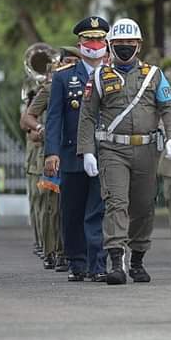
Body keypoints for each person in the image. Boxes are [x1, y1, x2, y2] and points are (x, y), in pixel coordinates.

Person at [77, 18, 171, 285]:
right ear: (110, 46)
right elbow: (87, 116)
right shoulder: (99, 76)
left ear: (139, 45)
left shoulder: (153, 75)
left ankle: (137, 259)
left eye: (130, 43)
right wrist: (87, 151)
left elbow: (169, 107)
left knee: (144, 205)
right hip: (113, 149)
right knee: (116, 203)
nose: (125, 48)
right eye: (119, 44)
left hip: (147, 149)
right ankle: (116, 262)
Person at [45, 20, 110, 282]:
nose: (93, 47)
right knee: (72, 210)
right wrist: (52, 152)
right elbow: (54, 118)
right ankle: (76, 261)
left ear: (105, 45)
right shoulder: (64, 77)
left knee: (98, 210)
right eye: (88, 42)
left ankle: (98, 263)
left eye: (98, 41)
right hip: (72, 153)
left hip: (105, 152)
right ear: (79, 46)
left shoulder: (113, 75)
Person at [23, 51, 73, 272]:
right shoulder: (51, 87)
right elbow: (27, 118)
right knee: (52, 207)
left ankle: (72, 251)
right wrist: (43, 130)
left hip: (77, 152)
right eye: (68, 61)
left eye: (76, 62)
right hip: (52, 152)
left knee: (73, 205)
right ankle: (54, 252)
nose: (72, 65)